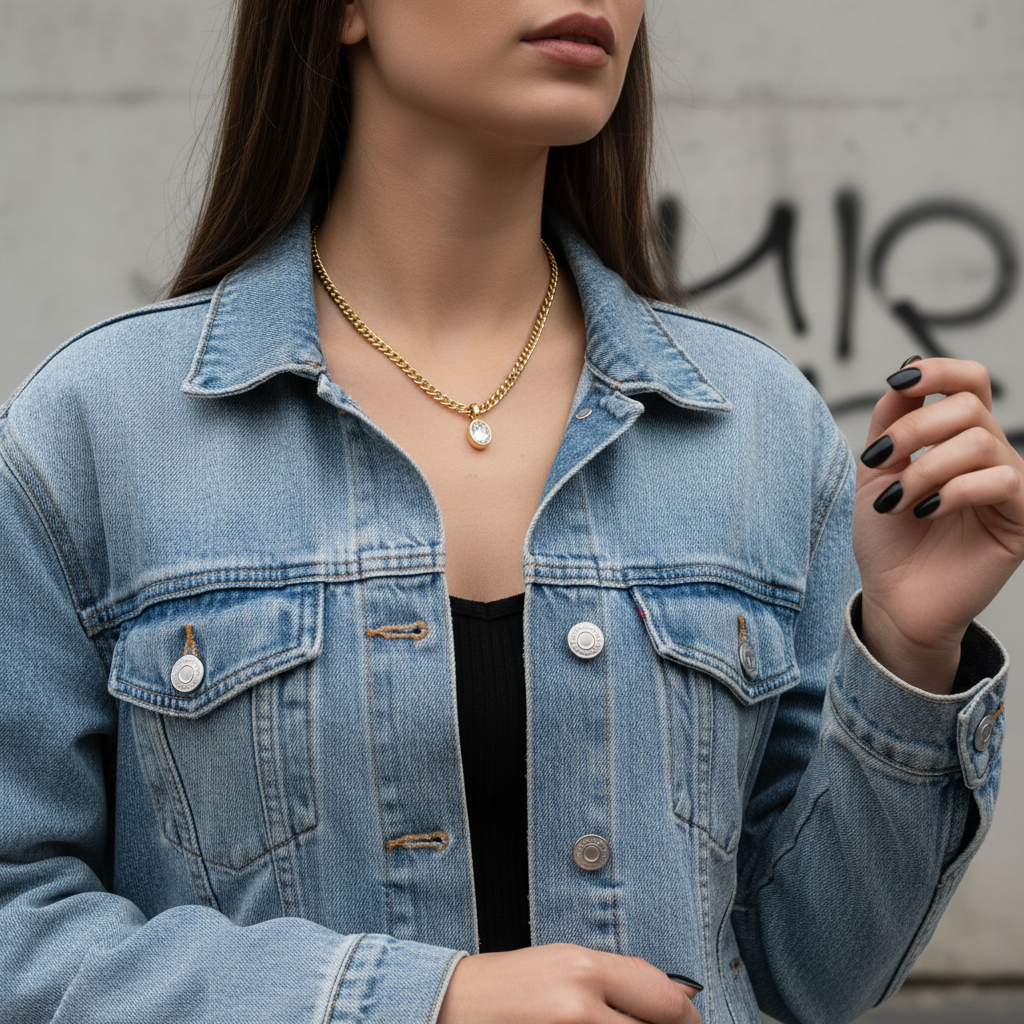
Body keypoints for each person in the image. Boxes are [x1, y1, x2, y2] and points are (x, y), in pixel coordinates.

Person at [0, 0, 1021, 1021]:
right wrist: (418, 1003)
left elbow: (806, 978)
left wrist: (904, 648)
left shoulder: (759, 430)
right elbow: (18, 926)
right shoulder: (97, 432)